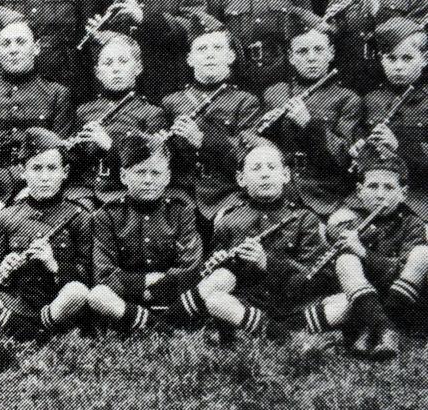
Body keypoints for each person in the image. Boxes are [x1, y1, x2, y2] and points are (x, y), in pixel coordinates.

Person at [0, 128, 91, 339]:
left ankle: (20, 330)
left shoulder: (78, 215)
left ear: (65, 172)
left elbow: (86, 273)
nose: (45, 177)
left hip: (56, 300)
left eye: (52, 168)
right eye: (36, 168)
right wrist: (4, 271)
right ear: (23, 171)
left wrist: (54, 265)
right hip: (16, 302)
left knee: (78, 292)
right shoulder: (6, 216)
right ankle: (37, 333)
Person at [185, 144, 326, 343]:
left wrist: (266, 262)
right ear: (241, 179)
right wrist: (216, 262)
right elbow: (213, 272)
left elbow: (315, 277)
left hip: (292, 304)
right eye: (256, 168)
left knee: (340, 303)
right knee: (215, 300)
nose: (265, 174)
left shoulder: (305, 218)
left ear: (285, 175)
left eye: (271, 167)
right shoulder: (228, 219)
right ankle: (280, 335)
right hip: (246, 302)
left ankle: (256, 331)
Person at [296, 149, 427, 360]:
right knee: (345, 260)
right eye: (372, 186)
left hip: (403, 303)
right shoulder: (350, 224)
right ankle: (384, 328)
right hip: (364, 299)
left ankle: (377, 326)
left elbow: (405, 272)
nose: (380, 194)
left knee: (423, 253)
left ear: (403, 193)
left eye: (389, 187)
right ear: (360, 191)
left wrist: (363, 252)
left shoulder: (413, 225)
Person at [88, 134, 202, 332]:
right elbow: (104, 274)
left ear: (167, 177)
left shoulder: (182, 213)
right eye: (140, 172)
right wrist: (146, 283)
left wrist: (150, 288)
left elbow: (189, 268)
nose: (148, 180)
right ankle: (159, 327)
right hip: (125, 301)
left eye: (156, 173)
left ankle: (147, 323)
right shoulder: (106, 215)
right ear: (124, 176)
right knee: (98, 295)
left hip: (172, 300)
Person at [0, 6, 73, 211]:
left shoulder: (57, 94)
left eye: (21, 42)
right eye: (5, 44)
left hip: (40, 191)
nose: (13, 49)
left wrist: (29, 195)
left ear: (36, 47)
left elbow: (60, 151)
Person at [158, 14, 260, 225]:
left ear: (231, 56)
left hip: (226, 192)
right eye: (202, 50)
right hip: (179, 192)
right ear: (190, 59)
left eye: (217, 48)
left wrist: (203, 141)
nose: (210, 56)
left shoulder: (245, 102)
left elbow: (248, 158)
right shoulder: (171, 102)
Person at [259, 10, 361, 216]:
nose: (312, 58)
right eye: (303, 52)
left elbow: (344, 160)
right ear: (291, 57)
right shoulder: (274, 93)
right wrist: (266, 132)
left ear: (331, 53)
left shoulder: (347, 98)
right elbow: (255, 145)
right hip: (281, 193)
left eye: (318, 50)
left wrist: (309, 124)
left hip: (326, 194)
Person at [66, 32, 166, 206]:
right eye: (108, 63)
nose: (116, 68)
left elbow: (150, 166)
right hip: (86, 191)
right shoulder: (84, 111)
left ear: (138, 68)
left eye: (123, 61)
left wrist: (108, 145)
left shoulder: (151, 113)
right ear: (98, 72)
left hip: (127, 193)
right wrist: (71, 149)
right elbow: (75, 164)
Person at [349, 17, 428, 219]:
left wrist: (398, 147)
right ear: (382, 59)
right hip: (373, 197)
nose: (398, 66)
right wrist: (360, 151)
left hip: (420, 199)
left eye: (407, 58)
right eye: (391, 59)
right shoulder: (371, 100)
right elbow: (359, 147)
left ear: (425, 58)